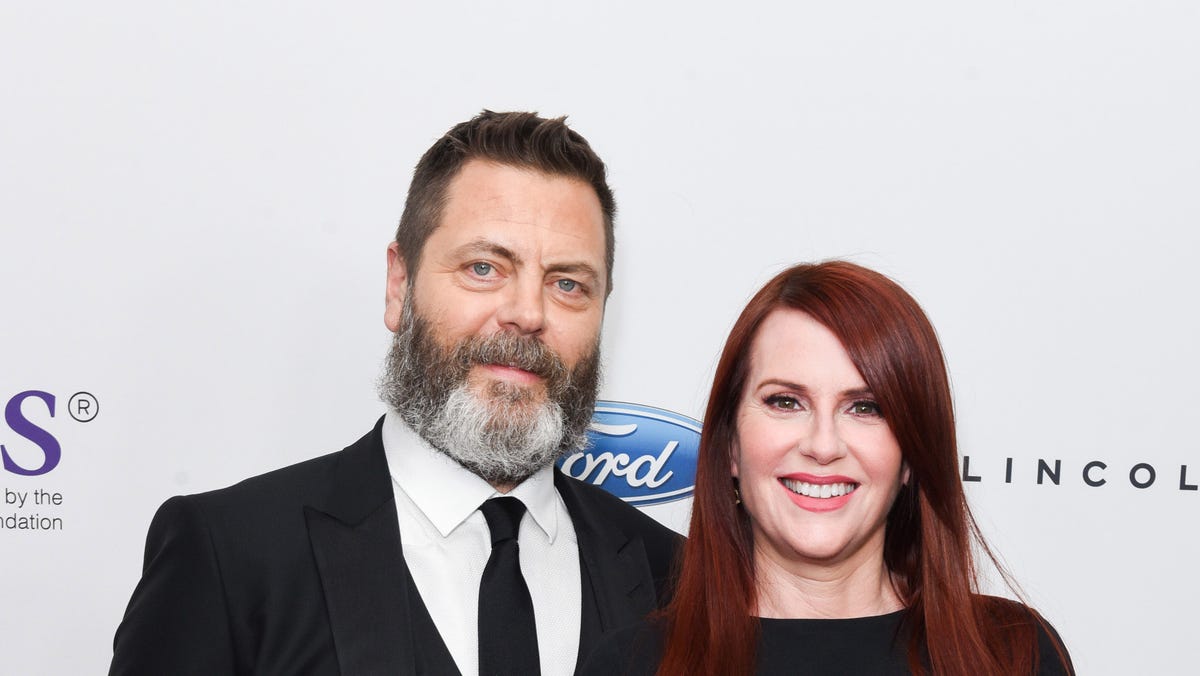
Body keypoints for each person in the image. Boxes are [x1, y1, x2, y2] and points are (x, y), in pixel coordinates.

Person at [110, 111, 681, 676]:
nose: (527, 314)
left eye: (567, 285)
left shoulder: (676, 578)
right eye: (484, 267)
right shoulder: (231, 556)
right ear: (398, 286)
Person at [581, 261, 1072, 675]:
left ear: (910, 457)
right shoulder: (633, 665)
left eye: (865, 408)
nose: (823, 445)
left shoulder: (1014, 653)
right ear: (730, 444)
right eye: (785, 401)